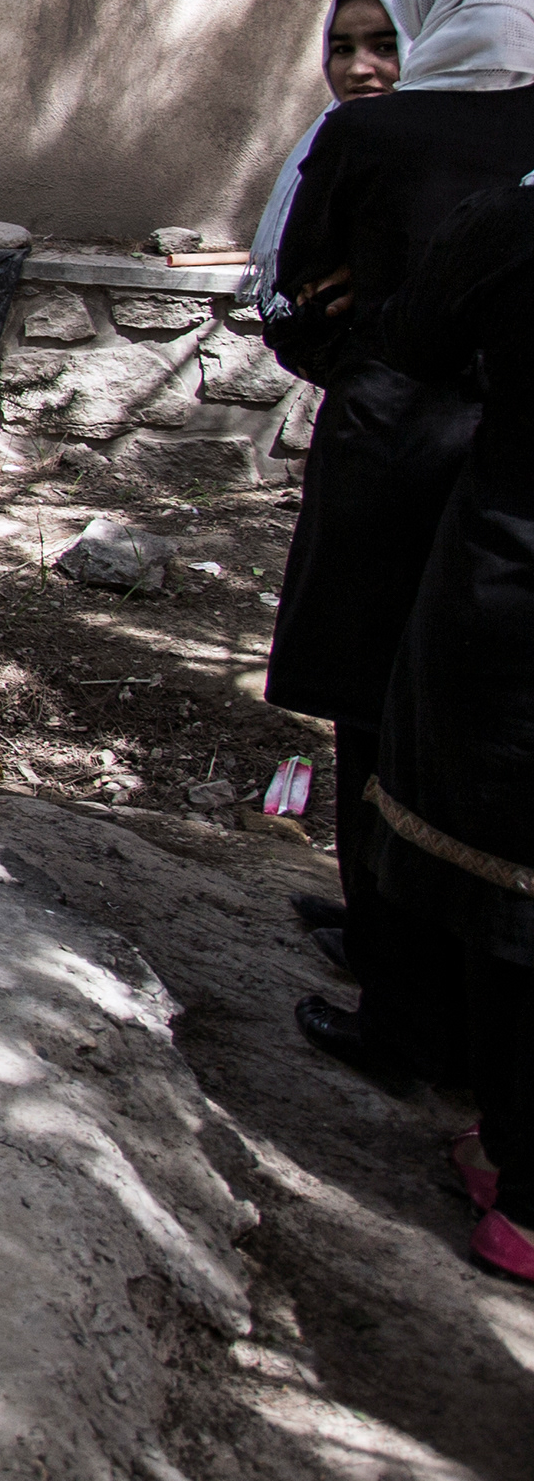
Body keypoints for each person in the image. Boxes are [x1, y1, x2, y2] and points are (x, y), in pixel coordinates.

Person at [270, 0, 534, 1075]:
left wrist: (368, 361)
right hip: (507, 478)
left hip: (392, 460)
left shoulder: (374, 137)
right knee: (472, 746)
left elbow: (299, 293)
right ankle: (473, 1016)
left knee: (377, 714)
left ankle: (399, 1003)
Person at [372, 168, 534, 1284]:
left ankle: (526, 1184)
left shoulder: (521, 215)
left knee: (515, 889)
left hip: (518, 587)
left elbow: (419, 335)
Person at [240, 0, 405, 314]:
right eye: (342, 49)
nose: (358, 69)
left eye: (386, 47)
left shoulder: (452, 147)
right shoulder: (329, 141)